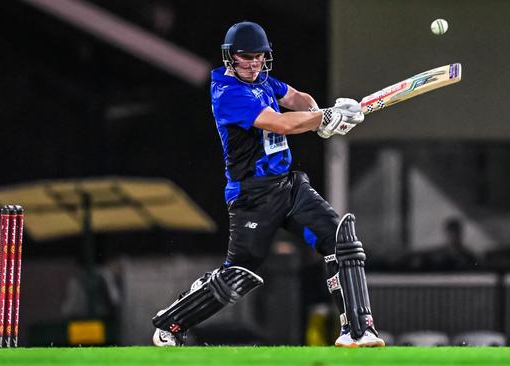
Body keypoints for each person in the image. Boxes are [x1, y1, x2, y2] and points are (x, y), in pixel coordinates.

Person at [151, 21, 384, 347]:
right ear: (230, 57)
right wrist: (322, 119)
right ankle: (171, 325)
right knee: (238, 275)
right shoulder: (228, 93)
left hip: (289, 187)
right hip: (253, 197)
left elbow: (296, 98)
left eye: (259, 57)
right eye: (246, 57)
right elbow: (277, 122)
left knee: (339, 239)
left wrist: (328, 113)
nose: (253, 63)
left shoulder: (263, 80)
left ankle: (358, 331)